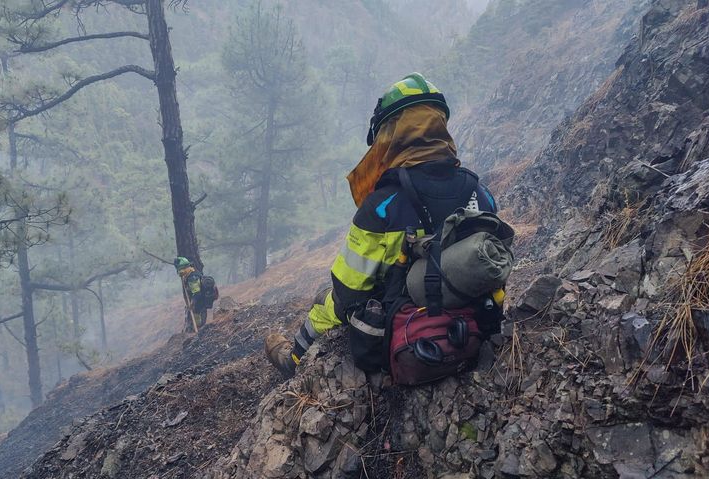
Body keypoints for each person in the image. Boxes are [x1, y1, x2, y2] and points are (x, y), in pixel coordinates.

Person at [264, 73, 500, 377]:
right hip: (475, 327)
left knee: (326, 299)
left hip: (405, 335)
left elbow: (349, 292)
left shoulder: (382, 206)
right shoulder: (480, 193)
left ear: (391, 132)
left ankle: (293, 359)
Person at [174, 256, 209, 330]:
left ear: (184, 268)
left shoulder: (193, 277)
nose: (179, 272)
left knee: (199, 323)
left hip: (199, 303)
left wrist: (192, 303)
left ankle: (198, 331)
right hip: (198, 303)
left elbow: (197, 293)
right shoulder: (189, 274)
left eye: (180, 270)